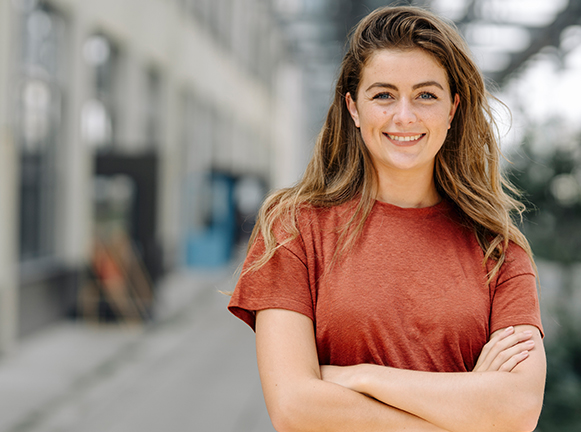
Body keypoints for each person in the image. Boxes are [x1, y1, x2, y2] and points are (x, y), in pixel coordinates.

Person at [228, 5, 545, 432]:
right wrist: (469, 409)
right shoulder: (293, 229)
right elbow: (294, 407)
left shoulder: (499, 250)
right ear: (353, 108)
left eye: (426, 95)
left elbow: (518, 408)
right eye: (383, 95)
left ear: (452, 109)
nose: (404, 116)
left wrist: (362, 377)